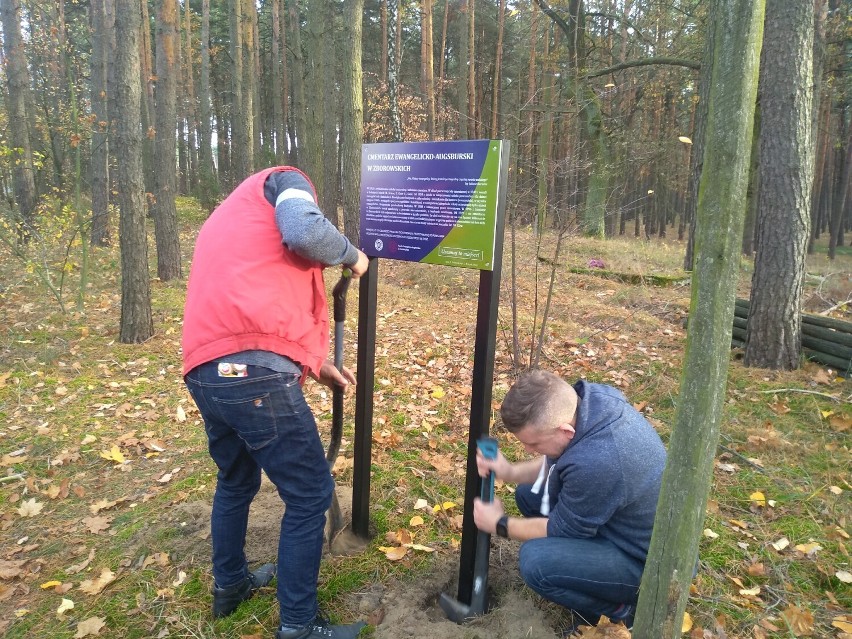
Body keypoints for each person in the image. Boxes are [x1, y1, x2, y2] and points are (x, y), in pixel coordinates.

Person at [182, 166, 370, 639]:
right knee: (310, 495)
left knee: (235, 479)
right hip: (253, 377)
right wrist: (352, 256)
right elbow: (305, 232)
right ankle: (300, 625)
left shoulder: (233, 216)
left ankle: (230, 586)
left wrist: (315, 365)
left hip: (206, 371)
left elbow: (252, 304)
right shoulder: (285, 180)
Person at [473, 370, 666, 633]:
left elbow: (562, 528)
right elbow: (560, 459)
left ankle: (620, 611)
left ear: (565, 430)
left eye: (533, 443)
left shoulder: (600, 459)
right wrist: (512, 472)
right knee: (527, 494)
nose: (529, 450)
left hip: (645, 563)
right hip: (614, 520)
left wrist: (499, 524)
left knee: (535, 563)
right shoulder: (587, 404)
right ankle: (585, 574)